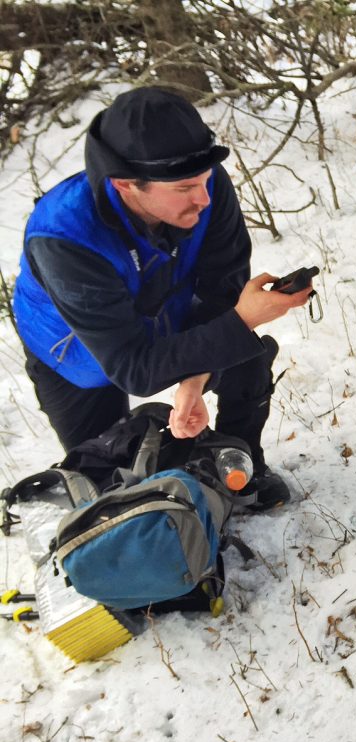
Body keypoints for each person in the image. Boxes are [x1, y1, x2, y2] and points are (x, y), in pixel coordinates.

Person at [12, 87, 312, 511]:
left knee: (244, 351)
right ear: (126, 184)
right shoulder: (64, 237)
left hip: (164, 309)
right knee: (107, 478)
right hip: (76, 349)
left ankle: (242, 466)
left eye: (207, 181)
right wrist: (238, 323)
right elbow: (133, 367)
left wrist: (195, 379)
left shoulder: (203, 182)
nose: (204, 199)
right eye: (186, 188)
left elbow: (222, 293)